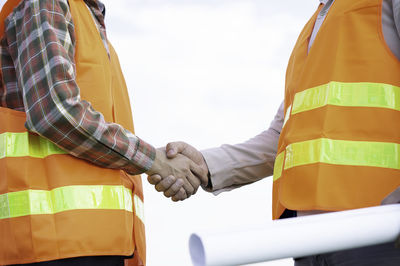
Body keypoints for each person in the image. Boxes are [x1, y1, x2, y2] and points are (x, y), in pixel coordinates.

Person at [149, 0, 400, 265]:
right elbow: (283, 137)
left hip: (379, 232)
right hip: (309, 240)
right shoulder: (318, 23)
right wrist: (206, 165)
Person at [0, 0, 206, 265]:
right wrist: (155, 161)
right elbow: (55, 110)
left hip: (94, 242)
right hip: (53, 243)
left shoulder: (88, 22)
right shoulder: (45, 4)